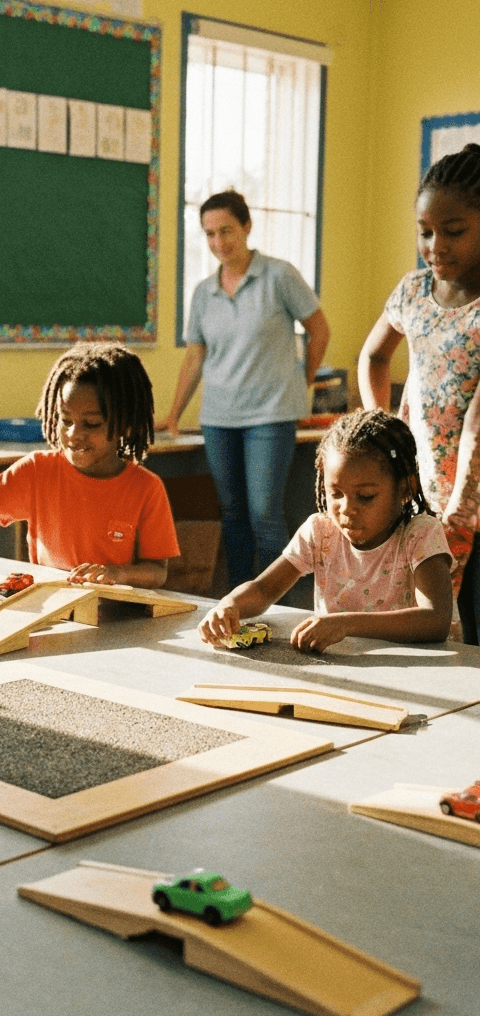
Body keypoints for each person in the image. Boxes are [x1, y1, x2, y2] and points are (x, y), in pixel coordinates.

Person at [0, 342, 180, 613]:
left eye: (92, 423)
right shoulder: (38, 470)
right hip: (51, 613)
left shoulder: (146, 488)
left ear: (125, 424)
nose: (74, 433)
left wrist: (118, 574)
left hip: (119, 620)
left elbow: (157, 571)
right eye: (65, 419)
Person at [158, 189, 330, 589]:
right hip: (219, 417)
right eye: (210, 234)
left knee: (264, 514)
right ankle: (238, 600)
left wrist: (302, 379)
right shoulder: (203, 292)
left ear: (247, 227)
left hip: (271, 414)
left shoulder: (279, 275)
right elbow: (194, 358)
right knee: (232, 513)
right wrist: (173, 415)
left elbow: (319, 329)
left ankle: (277, 605)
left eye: (227, 231)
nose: (219, 242)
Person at [199, 409, 452, 653]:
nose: (347, 508)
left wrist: (346, 623)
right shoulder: (321, 532)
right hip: (340, 669)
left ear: (406, 489)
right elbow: (265, 589)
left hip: (414, 676)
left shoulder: (420, 535)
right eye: (336, 494)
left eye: (365, 496)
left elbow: (436, 620)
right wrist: (229, 606)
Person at [358, 143, 480, 643]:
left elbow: (478, 420)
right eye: (425, 232)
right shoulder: (413, 291)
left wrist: (461, 508)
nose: (436, 246)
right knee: (428, 617)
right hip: (426, 481)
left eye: (454, 232)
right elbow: (375, 356)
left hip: (473, 487)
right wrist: (381, 431)